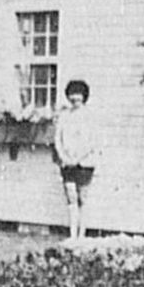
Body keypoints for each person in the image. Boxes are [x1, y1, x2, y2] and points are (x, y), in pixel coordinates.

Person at [54, 79, 100, 238]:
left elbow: (92, 141)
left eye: (79, 97)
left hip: (84, 163)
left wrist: (78, 158)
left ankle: (82, 235)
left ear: (84, 97)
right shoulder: (64, 116)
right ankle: (72, 235)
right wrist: (64, 156)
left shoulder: (89, 116)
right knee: (71, 198)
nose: (75, 100)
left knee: (82, 198)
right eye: (73, 96)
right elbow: (58, 139)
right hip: (67, 163)